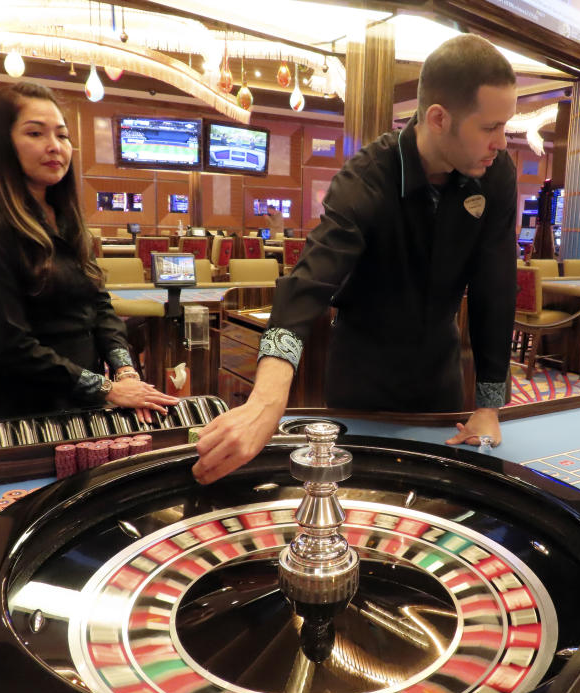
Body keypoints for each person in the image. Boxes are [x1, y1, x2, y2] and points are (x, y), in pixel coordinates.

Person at [193, 34, 519, 484]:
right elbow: (310, 280)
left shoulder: (496, 173)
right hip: (362, 374)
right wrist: (268, 398)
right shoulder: (367, 177)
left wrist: (487, 405)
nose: (502, 142)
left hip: (441, 374)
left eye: (506, 126)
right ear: (439, 118)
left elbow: (495, 285)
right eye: (490, 127)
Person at [0, 82, 178, 422]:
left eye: (62, 136)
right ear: (4, 143)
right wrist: (107, 389)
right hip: (25, 405)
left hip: (82, 396)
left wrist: (125, 372)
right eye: (35, 134)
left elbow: (99, 304)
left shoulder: (65, 216)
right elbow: (12, 343)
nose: (54, 147)